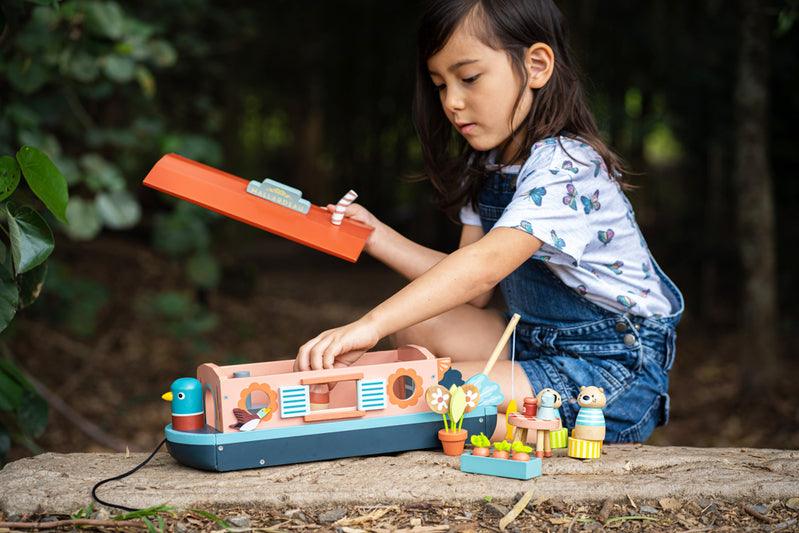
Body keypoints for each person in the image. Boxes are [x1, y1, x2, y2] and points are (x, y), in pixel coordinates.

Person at [293, 0, 683, 443]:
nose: (452, 103)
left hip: (609, 369)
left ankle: (515, 428)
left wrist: (367, 325)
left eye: (470, 78)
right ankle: (484, 418)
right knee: (421, 327)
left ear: (536, 66)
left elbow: (484, 268)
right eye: (440, 85)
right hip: (531, 344)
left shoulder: (567, 166)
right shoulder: (491, 165)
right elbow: (472, 292)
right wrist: (374, 235)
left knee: (436, 400)